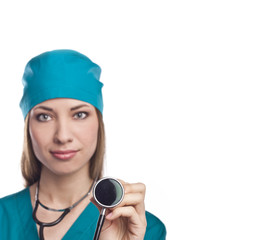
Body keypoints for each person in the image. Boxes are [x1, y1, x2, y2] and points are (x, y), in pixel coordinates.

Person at [0, 49, 166, 240]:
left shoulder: (142, 229)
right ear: (28, 126)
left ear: (98, 122)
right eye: (45, 117)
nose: (62, 136)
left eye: (79, 115)